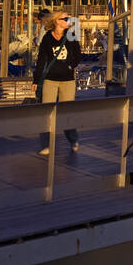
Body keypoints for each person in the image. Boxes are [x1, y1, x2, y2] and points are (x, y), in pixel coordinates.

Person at [35, 10, 81, 156]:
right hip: (50, 80)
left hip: (67, 81)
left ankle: (73, 140)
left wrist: (70, 65)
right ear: (56, 21)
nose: (68, 20)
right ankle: (47, 145)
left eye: (69, 18)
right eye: (65, 18)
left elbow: (78, 56)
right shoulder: (47, 38)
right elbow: (41, 60)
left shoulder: (71, 36)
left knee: (67, 113)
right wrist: (36, 80)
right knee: (47, 114)